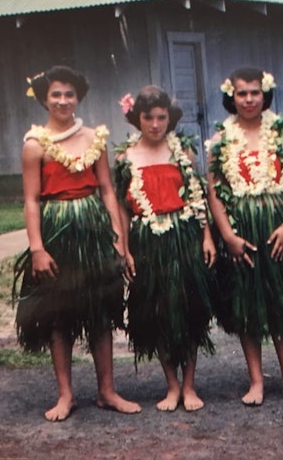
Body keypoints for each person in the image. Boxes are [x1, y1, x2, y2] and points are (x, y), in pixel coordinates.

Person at [13, 65, 141, 421]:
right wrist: (37, 248)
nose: (63, 101)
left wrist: (118, 240)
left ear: (78, 97)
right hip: (57, 231)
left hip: (93, 227)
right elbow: (31, 201)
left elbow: (107, 190)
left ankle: (107, 390)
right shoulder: (35, 145)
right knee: (60, 315)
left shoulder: (94, 138)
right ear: (44, 99)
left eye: (69, 94)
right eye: (56, 94)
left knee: (100, 311)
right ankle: (65, 394)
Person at [206, 67, 283, 406]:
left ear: (264, 94)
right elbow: (214, 192)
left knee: (280, 300)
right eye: (242, 93)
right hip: (241, 228)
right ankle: (256, 382)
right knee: (247, 304)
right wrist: (227, 235)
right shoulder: (221, 138)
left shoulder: (280, 131)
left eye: (255, 92)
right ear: (231, 97)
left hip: (276, 227)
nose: (249, 99)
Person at [114, 85, 216, 412]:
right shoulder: (124, 157)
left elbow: (197, 199)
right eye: (149, 117)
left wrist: (207, 237)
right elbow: (121, 209)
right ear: (137, 119)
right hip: (147, 240)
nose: (156, 124)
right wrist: (125, 249)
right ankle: (171, 385)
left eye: (162, 117)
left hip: (183, 236)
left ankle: (189, 386)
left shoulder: (182, 152)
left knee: (187, 311)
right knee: (158, 311)